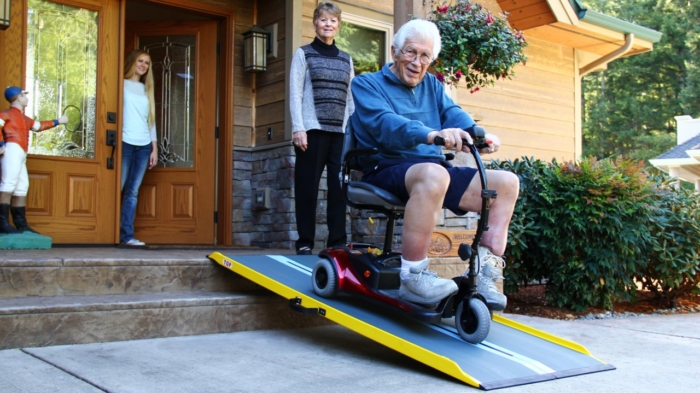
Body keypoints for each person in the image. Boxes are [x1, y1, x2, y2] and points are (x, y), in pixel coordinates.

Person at [347, 19, 520, 310]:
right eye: (411, 52)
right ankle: (413, 276)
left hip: (432, 171)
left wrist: (479, 135)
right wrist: (431, 135)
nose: (417, 62)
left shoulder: (433, 86)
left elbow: (454, 113)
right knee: (434, 174)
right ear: (394, 51)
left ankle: (485, 273)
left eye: (425, 56)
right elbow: (385, 125)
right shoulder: (366, 84)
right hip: (384, 168)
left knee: (506, 184)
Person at [289, 1, 355, 255]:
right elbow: (295, 93)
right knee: (308, 187)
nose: (328, 24)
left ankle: (336, 241)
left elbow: (350, 97)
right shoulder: (303, 53)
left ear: (339, 25)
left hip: (340, 132)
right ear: (315, 23)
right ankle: (305, 241)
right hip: (312, 131)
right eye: (323, 19)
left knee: (339, 189)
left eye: (333, 20)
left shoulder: (346, 59)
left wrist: (352, 132)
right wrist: (298, 128)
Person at [0, 86, 68, 234]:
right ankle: (2, 223)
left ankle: (21, 225)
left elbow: (38, 126)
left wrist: (58, 121)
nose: (27, 98)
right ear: (19, 97)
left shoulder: (24, 118)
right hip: (12, 149)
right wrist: (0, 144)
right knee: (8, 183)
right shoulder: (6, 115)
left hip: (21, 152)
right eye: (25, 95)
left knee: (22, 186)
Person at [120, 50, 158, 246]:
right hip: (125, 142)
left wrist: (154, 148)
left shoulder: (146, 89)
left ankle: (126, 236)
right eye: (140, 61)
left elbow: (151, 122)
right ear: (132, 62)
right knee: (117, 187)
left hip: (143, 146)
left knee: (132, 192)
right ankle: (106, 233)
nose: (143, 65)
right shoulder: (120, 85)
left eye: (147, 63)